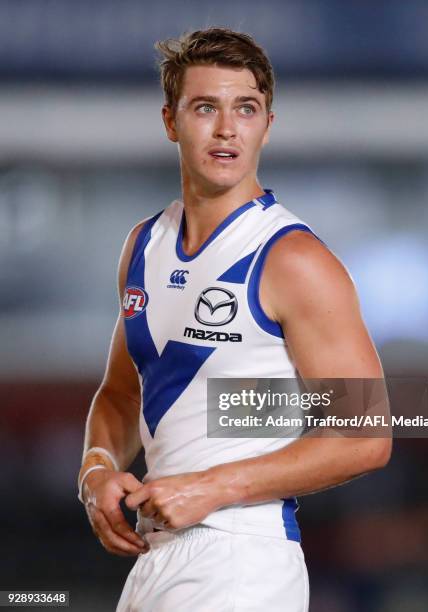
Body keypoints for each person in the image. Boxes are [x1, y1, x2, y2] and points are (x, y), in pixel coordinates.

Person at [78, 27, 392, 612]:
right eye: (206, 108)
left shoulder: (294, 259)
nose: (227, 129)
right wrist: (95, 472)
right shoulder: (144, 244)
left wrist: (211, 487)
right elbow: (121, 394)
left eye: (245, 109)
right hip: (155, 558)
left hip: (242, 560)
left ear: (267, 124)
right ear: (171, 121)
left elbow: (367, 434)